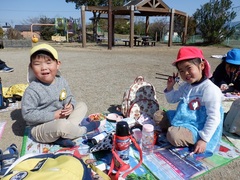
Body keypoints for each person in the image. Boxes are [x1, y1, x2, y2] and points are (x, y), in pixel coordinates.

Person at [21, 43, 100, 147]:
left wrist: (70, 106)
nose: (44, 67)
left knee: (82, 105)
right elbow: (27, 115)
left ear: (58, 64)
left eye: (48, 62)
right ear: (31, 67)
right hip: (41, 128)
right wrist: (54, 115)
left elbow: (69, 97)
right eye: (37, 64)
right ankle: (82, 130)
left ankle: (63, 136)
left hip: (63, 118)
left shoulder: (61, 81)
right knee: (61, 125)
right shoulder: (32, 90)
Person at [158, 46, 224, 155]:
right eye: (182, 71)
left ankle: (184, 133)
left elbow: (214, 118)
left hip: (198, 126)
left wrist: (203, 140)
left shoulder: (210, 89)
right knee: (158, 115)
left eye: (189, 68)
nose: (186, 74)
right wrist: (170, 87)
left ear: (201, 66)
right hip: (184, 119)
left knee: (173, 136)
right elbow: (172, 99)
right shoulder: (186, 86)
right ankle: (177, 129)